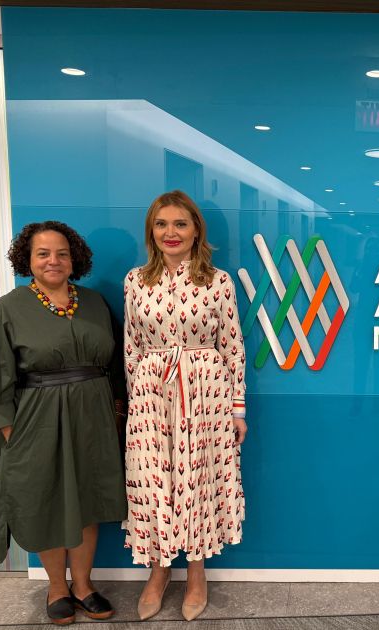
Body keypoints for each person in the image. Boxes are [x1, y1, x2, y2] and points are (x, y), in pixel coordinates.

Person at [0, 221, 126, 625]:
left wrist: (116, 411)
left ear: (74, 260)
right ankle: (57, 588)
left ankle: (83, 586)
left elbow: (116, 363)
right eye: (43, 253)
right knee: (47, 502)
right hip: (36, 422)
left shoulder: (94, 303)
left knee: (87, 501)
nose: (53, 260)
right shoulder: (8, 308)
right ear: (28, 259)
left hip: (93, 421)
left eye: (62, 253)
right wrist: (10, 430)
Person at [122, 190, 247, 622]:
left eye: (180, 224)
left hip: (206, 390)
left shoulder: (218, 281)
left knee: (199, 477)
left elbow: (232, 347)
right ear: (151, 231)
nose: (170, 232)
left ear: (196, 230)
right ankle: (158, 571)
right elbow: (131, 345)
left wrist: (237, 410)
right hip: (152, 393)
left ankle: (196, 572)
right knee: (154, 480)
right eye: (161, 224)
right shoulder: (136, 281)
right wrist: (137, 405)